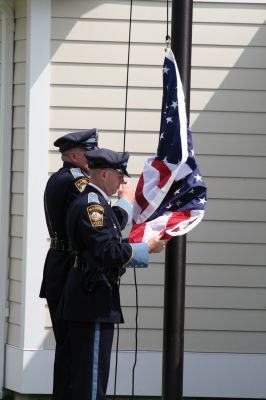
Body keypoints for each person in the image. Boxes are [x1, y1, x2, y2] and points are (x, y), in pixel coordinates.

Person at [60, 148, 166, 400]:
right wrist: (145, 249)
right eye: (120, 176)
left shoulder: (96, 203)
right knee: (92, 381)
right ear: (104, 174)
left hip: (91, 298)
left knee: (88, 378)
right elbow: (105, 251)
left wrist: (139, 244)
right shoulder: (92, 206)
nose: (123, 183)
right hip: (91, 299)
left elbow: (107, 243)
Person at [39, 130, 134, 400]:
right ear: (74, 155)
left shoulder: (61, 177)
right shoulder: (78, 183)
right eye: (87, 152)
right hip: (73, 270)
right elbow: (99, 224)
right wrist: (125, 205)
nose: (91, 157)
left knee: (70, 356)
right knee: (79, 360)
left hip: (61, 268)